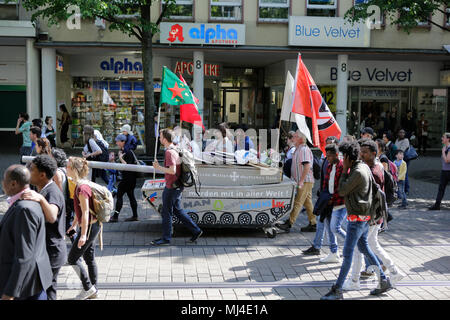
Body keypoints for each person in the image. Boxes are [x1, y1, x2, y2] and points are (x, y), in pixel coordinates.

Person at [321, 140, 392, 300]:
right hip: (362, 216)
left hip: (357, 218)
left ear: (347, 156)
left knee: (347, 254)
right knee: (365, 249)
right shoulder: (362, 167)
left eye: (342, 156)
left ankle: (337, 290)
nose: (341, 159)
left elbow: (342, 189)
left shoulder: (357, 172)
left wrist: (345, 170)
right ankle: (383, 280)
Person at [342, 139, 404, 291]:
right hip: (375, 216)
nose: (361, 155)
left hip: (369, 217)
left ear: (374, 154)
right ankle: (394, 272)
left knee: (358, 249)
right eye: (361, 152)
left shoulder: (373, 171)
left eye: (365, 153)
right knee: (373, 245)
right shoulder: (375, 167)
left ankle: (355, 281)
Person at [0, 165, 52, 300]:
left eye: (3, 180)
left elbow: (24, 256)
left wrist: (9, 294)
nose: (2, 183)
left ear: (13, 183)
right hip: (30, 283)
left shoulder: (24, 209)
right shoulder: (29, 201)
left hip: (26, 287)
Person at [21, 155, 67, 300]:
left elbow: (52, 216)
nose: (28, 171)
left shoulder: (51, 192)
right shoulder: (43, 189)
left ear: (42, 175)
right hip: (47, 251)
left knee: (46, 292)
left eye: (31, 169)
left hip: (51, 252)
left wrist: (40, 199)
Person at [151, 129, 203, 246]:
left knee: (167, 212)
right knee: (178, 211)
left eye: (160, 136)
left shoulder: (169, 152)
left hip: (172, 186)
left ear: (164, 139)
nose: (159, 138)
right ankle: (196, 230)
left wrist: (158, 167)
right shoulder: (175, 148)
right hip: (177, 185)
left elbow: (172, 170)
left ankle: (166, 238)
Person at [303, 144, 347, 262]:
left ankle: (354, 244)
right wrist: (324, 197)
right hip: (328, 202)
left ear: (336, 155)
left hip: (339, 203)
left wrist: (332, 198)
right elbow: (325, 183)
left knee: (335, 228)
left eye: (329, 156)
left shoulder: (342, 166)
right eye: (326, 156)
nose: (327, 158)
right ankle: (334, 252)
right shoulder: (329, 165)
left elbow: (342, 187)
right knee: (328, 227)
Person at [65, 157, 100, 300]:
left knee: (72, 258)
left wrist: (83, 235)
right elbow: (80, 210)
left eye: (67, 167)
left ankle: (88, 288)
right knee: (89, 258)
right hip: (91, 225)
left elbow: (85, 212)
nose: (65, 169)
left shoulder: (82, 188)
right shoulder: (79, 184)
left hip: (90, 226)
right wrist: (73, 226)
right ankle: (93, 289)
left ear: (73, 169)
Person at [276, 131, 316, 233]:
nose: (292, 138)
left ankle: (289, 223)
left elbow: (307, 166)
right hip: (302, 180)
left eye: (295, 136)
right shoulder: (298, 149)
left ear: (301, 139)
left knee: (298, 202)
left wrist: (301, 181)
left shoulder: (303, 149)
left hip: (305, 181)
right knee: (307, 203)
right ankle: (314, 223)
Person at [110, 134, 139, 223]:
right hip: (130, 178)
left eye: (118, 141)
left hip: (128, 178)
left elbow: (127, 166)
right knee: (131, 196)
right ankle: (135, 216)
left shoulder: (127, 151)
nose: (116, 142)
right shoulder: (124, 150)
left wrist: (120, 158)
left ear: (123, 142)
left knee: (119, 196)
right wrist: (113, 160)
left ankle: (115, 216)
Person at [51, 148, 77, 243]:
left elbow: (59, 192)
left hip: (64, 205)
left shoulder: (57, 173)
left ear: (55, 159)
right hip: (69, 203)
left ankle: (78, 250)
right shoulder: (65, 170)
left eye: (50, 157)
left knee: (67, 228)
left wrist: (62, 208)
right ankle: (78, 250)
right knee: (68, 227)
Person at [429, 133, 450, 211]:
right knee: (441, 188)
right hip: (444, 171)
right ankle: (437, 205)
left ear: (448, 139)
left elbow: (447, 160)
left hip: (449, 172)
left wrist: (443, 152)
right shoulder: (445, 147)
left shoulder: (448, 148)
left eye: (443, 137)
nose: (441, 138)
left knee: (441, 188)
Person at [395, 129, 411, 194]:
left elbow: (401, 150)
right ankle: (400, 188)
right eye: (400, 132)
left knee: (404, 174)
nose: (401, 134)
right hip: (398, 159)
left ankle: (406, 189)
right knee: (399, 173)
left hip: (404, 160)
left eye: (403, 133)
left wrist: (395, 151)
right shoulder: (397, 140)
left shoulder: (406, 140)